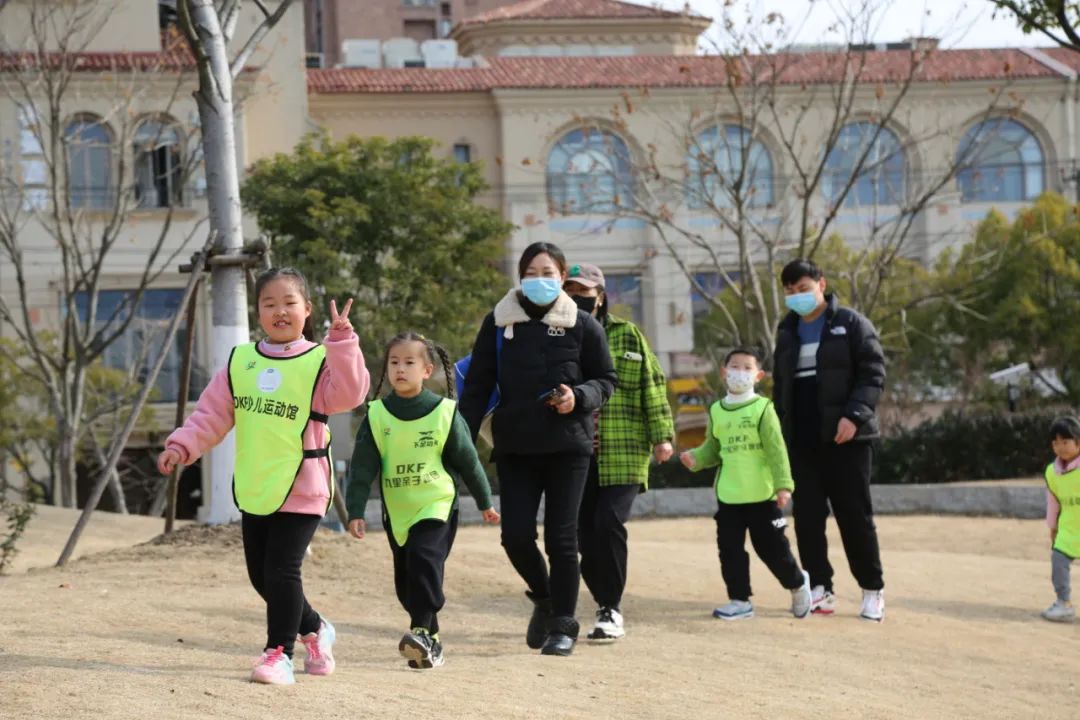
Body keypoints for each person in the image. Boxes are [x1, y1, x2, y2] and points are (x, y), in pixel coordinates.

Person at [157, 267, 370, 684]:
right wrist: (182, 445)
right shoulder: (242, 361)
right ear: (257, 311)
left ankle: (279, 654)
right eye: (269, 304)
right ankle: (315, 628)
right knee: (262, 575)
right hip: (257, 484)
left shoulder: (319, 360)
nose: (280, 312)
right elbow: (212, 414)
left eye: (289, 303)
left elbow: (350, 393)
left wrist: (342, 341)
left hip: (304, 484)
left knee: (282, 570)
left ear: (307, 310)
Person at [459, 242, 617, 657]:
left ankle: (564, 624)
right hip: (515, 447)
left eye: (548, 272)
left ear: (562, 277)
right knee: (515, 537)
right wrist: (459, 444)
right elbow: (476, 387)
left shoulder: (584, 325)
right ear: (520, 277)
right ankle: (545, 600)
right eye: (531, 272)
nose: (540, 279)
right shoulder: (497, 323)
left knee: (563, 541)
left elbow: (606, 380)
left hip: (569, 448)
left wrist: (578, 397)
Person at [346, 332, 501, 668]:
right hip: (398, 510)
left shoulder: (444, 412)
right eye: (394, 362)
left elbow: (468, 461)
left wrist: (485, 501)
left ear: (427, 370)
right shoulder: (377, 416)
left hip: (437, 503)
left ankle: (419, 628)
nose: (400, 369)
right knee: (406, 581)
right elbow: (361, 468)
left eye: (409, 362)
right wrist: (355, 510)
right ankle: (430, 640)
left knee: (424, 558)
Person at [562, 262, 674, 642]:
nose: (578, 301)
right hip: (573, 452)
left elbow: (652, 386)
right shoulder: (554, 337)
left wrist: (662, 436)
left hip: (625, 450)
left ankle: (611, 608)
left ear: (601, 297)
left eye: (585, 294)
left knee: (609, 523)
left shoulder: (628, 336)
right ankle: (602, 601)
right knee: (582, 534)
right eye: (570, 294)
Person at [772, 258, 886, 622]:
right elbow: (781, 387)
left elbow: (873, 373)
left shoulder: (850, 323)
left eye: (803, 288)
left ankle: (872, 589)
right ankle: (820, 586)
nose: (796, 297)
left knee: (855, 517)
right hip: (802, 440)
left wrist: (854, 416)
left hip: (846, 440)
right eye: (790, 292)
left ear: (821, 284)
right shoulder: (786, 330)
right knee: (807, 518)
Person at [679, 348, 812, 620]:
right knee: (729, 550)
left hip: (762, 496)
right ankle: (739, 600)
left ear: (759, 376)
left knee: (772, 550)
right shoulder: (717, 410)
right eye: (735, 367)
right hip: (729, 496)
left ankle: (797, 584)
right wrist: (696, 458)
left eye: (747, 368)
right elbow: (713, 449)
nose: (740, 372)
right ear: (724, 372)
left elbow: (776, 450)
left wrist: (783, 485)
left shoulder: (763, 409)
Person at [1042, 416, 1080, 623]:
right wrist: (1053, 527)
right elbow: (1053, 502)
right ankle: (1063, 603)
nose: (1060, 447)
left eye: (1065, 442)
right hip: (1069, 529)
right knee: (1058, 560)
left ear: (1078, 442)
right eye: (1055, 442)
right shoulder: (1052, 472)